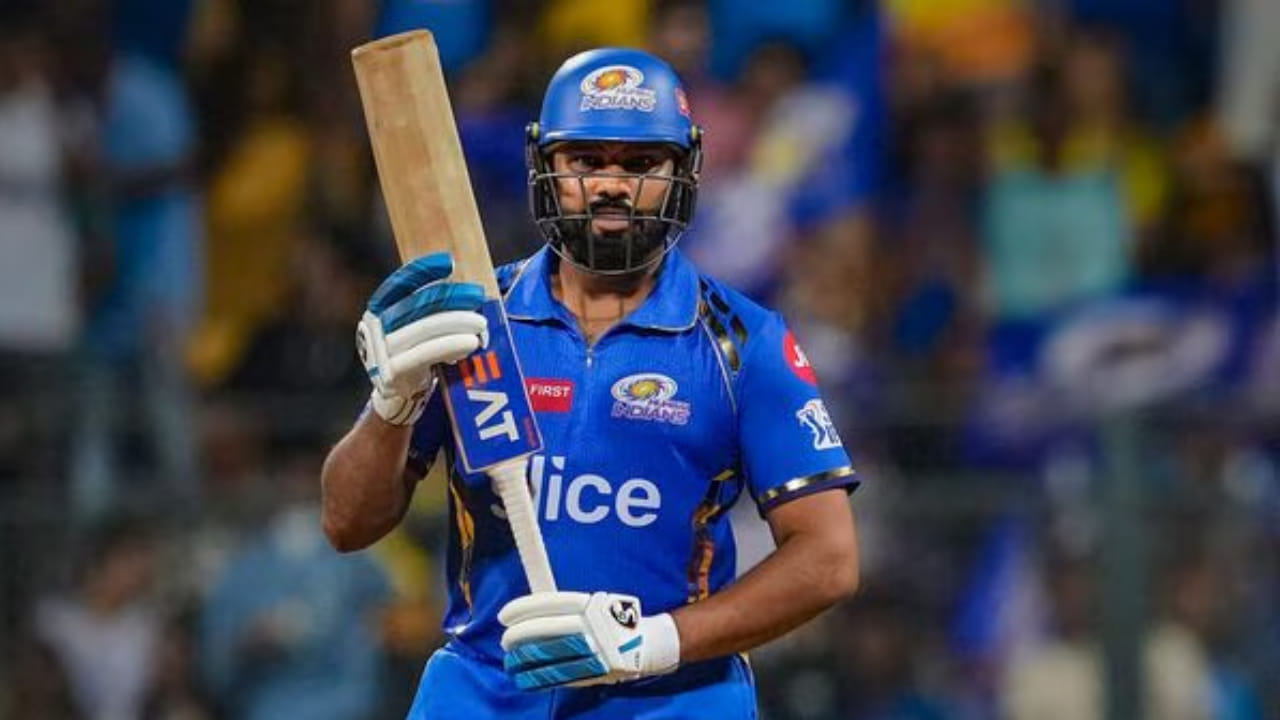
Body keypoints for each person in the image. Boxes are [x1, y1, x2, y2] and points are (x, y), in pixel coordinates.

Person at [321, 47, 861, 718]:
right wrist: (393, 403)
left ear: (684, 170)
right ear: (544, 164)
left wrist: (650, 642)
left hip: (672, 697)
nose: (612, 185)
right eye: (585, 161)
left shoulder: (744, 344)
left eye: (641, 164)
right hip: (487, 687)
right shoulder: (472, 322)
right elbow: (347, 524)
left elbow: (828, 558)